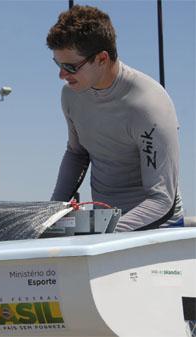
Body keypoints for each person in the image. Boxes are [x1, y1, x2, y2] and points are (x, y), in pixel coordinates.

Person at [46, 5, 184, 231]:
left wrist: (107, 233)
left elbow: (162, 200)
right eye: (58, 64)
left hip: (158, 229)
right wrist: (50, 213)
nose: (61, 74)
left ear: (101, 59)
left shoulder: (148, 105)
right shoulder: (71, 95)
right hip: (106, 227)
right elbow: (77, 153)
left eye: (70, 66)